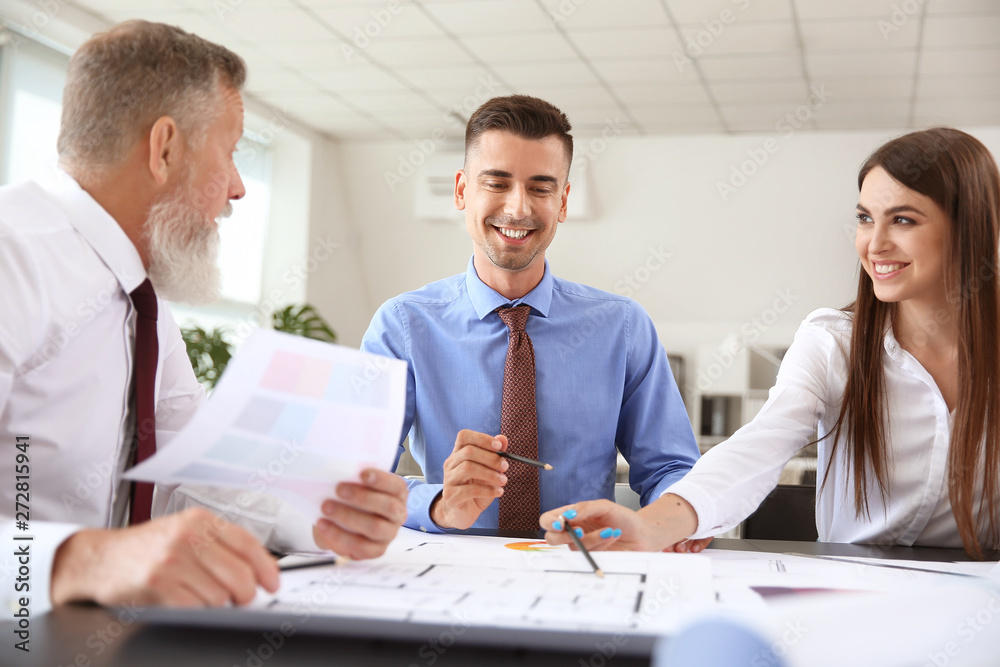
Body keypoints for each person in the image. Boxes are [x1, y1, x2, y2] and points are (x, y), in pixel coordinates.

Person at [0, 20, 407, 614]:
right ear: (164, 148)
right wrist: (83, 560)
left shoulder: (144, 301)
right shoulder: (14, 254)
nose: (239, 188)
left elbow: (187, 472)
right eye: (232, 150)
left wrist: (322, 520)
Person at [542, 127, 1000, 559]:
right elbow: (757, 450)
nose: (874, 244)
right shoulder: (832, 342)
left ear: (970, 227)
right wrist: (653, 526)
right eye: (865, 218)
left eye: (903, 219)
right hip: (855, 597)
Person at [361, 95, 699, 534]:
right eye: (497, 183)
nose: (518, 207)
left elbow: (672, 468)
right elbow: (357, 478)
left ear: (562, 201)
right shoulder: (402, 326)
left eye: (540, 187)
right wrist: (438, 504)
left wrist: (659, 523)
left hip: (582, 567)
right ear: (463, 191)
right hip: (447, 576)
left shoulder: (623, 327)